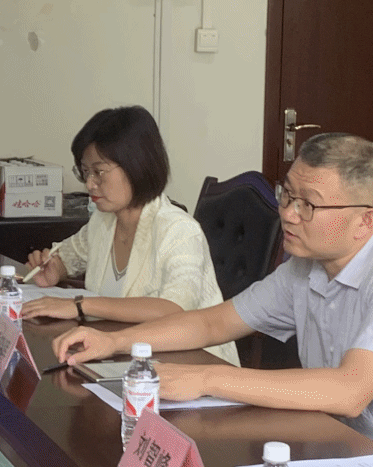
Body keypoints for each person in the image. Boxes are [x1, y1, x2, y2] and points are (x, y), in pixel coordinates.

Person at [51, 132, 373, 459]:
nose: (288, 214)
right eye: (287, 195)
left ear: (365, 222)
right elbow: (212, 322)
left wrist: (206, 379)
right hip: (344, 447)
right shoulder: (306, 267)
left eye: (308, 205)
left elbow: (350, 390)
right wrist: (113, 341)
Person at [18, 105, 237, 363]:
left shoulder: (179, 231)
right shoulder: (104, 221)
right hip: (122, 357)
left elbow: (174, 309)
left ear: (136, 166)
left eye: (98, 172)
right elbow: (68, 257)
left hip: (190, 364)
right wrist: (54, 269)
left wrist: (79, 304)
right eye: (85, 172)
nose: (89, 184)